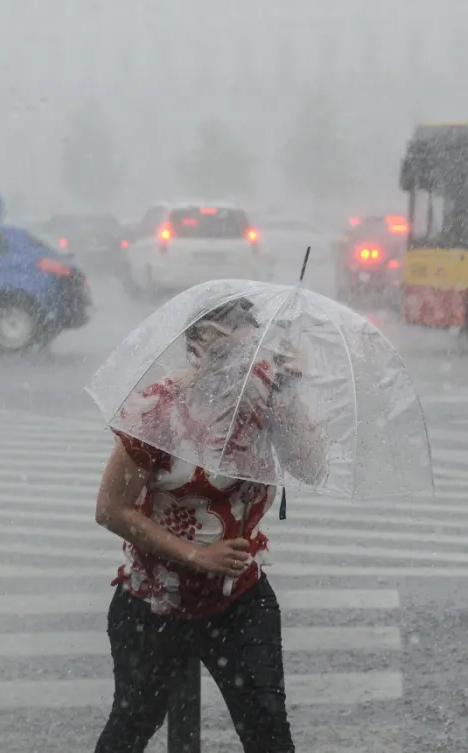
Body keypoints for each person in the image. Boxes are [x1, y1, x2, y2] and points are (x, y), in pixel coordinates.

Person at [92, 299, 322, 753]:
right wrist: (196, 555)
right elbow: (110, 509)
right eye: (223, 340)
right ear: (196, 344)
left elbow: (312, 468)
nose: (238, 354)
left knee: (269, 734)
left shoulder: (265, 394)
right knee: (131, 728)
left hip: (239, 598)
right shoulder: (160, 410)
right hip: (155, 600)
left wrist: (289, 392)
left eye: (247, 339)